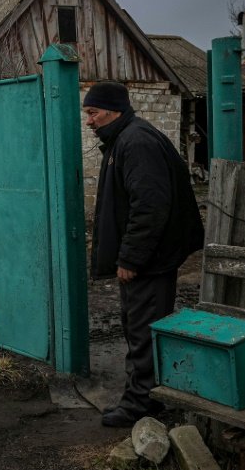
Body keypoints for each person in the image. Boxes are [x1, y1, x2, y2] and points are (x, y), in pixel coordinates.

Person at [83, 81, 204, 428]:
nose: (89, 121)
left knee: (143, 330)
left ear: (113, 110)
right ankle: (146, 398)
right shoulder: (125, 139)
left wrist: (131, 258)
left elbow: (150, 207)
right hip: (150, 258)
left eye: (93, 113)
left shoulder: (135, 142)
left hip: (151, 260)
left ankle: (142, 405)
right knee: (139, 327)